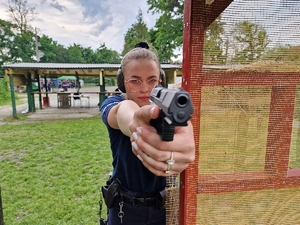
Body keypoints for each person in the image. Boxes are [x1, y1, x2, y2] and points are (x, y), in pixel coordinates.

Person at [99, 42, 195, 225]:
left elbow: (182, 117)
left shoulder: (165, 105)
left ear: (160, 81)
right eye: (135, 81)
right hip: (124, 209)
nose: (144, 88)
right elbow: (124, 112)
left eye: (152, 80)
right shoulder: (114, 102)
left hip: (165, 208)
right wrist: (137, 122)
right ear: (122, 82)